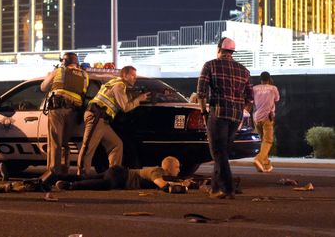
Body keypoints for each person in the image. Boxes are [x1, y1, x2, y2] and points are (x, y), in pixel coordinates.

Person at [197, 37, 253, 199]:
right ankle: (215, 189)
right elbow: (250, 98)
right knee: (223, 152)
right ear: (232, 52)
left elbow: (201, 92)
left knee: (217, 151)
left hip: (218, 112)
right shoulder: (244, 70)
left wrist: (203, 112)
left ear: (219, 49)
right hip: (236, 116)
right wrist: (242, 112)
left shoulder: (210, 65)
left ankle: (228, 188)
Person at [76, 65, 150, 177]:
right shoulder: (119, 86)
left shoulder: (116, 84)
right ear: (124, 75)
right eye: (132, 75)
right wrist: (139, 99)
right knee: (88, 146)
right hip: (96, 116)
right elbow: (125, 107)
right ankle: (81, 174)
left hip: (102, 120)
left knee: (116, 144)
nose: (135, 78)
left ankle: (114, 174)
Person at [40, 52, 89, 176]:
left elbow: (43, 87)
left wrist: (50, 75)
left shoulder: (59, 71)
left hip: (58, 109)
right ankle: (64, 171)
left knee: (55, 142)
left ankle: (53, 173)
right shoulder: (84, 75)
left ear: (64, 61)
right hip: (74, 111)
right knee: (64, 143)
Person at [55, 156, 187, 193]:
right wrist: (180, 187)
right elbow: (163, 186)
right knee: (106, 184)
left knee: (88, 177)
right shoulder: (157, 172)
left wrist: (181, 182)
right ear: (169, 168)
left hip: (118, 172)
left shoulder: (161, 173)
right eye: (177, 167)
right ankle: (70, 185)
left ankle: (57, 177)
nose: (179, 169)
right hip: (121, 176)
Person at [252, 71, 280, 173]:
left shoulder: (254, 88)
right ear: (269, 78)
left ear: (261, 79)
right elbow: (277, 99)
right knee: (268, 141)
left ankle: (266, 165)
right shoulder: (273, 88)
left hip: (256, 117)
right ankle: (258, 159)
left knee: (263, 141)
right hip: (267, 118)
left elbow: (252, 101)